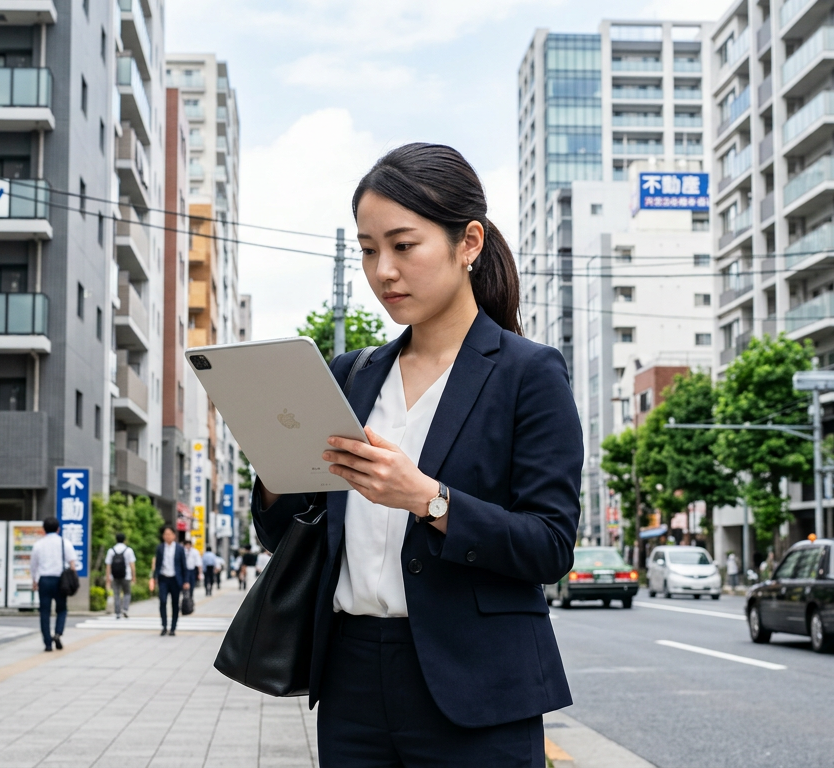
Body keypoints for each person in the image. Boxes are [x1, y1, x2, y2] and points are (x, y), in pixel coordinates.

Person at [253, 144, 581, 766]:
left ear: (468, 243)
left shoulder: (528, 373)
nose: (384, 271)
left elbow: (550, 545)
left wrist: (429, 500)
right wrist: (276, 469)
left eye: (404, 246)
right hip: (350, 678)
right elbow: (286, 537)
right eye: (368, 250)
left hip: (478, 685)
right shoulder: (350, 375)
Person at [31, 516, 78, 651]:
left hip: (44, 580)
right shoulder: (65, 543)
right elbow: (72, 564)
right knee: (61, 609)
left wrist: (34, 580)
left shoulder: (38, 544)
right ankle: (58, 633)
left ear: (43, 529)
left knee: (44, 611)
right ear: (58, 529)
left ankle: (47, 643)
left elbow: (34, 565)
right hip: (60, 581)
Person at [150, 526, 191, 635]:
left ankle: (173, 628)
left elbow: (184, 566)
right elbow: (157, 565)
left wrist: (186, 581)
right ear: (163, 536)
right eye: (165, 534)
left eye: (169, 534)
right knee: (162, 601)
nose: (167, 536)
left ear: (174, 535)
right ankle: (164, 626)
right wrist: (154, 577)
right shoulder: (160, 548)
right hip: (163, 578)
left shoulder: (179, 548)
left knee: (175, 603)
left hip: (175, 579)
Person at [105, 533, 136, 618]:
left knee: (116, 594)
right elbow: (132, 565)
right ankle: (125, 609)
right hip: (126, 576)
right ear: (124, 540)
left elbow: (108, 565)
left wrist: (108, 578)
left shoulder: (111, 550)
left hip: (114, 576)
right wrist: (133, 576)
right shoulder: (128, 550)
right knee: (127, 593)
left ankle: (117, 612)